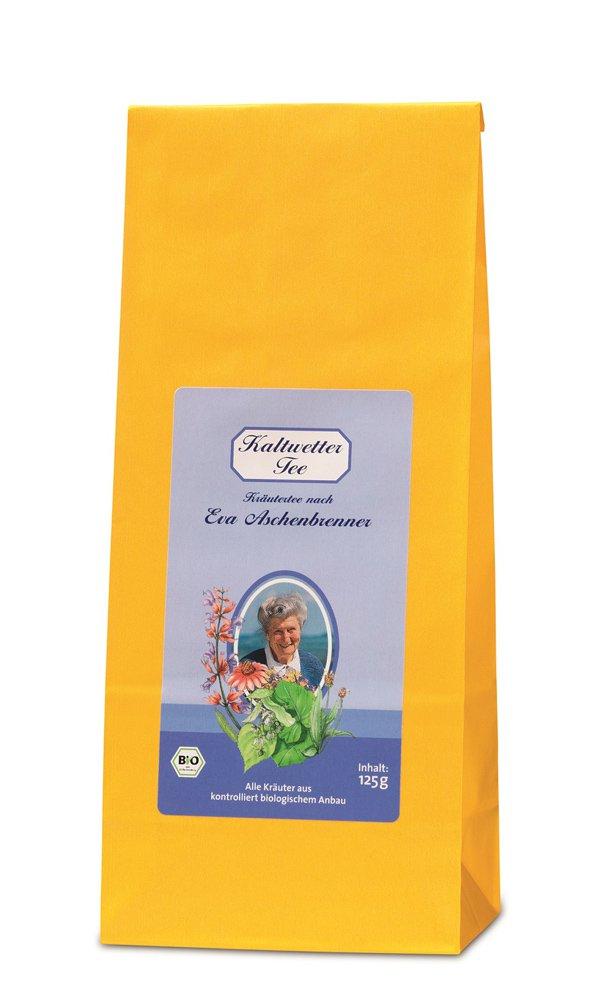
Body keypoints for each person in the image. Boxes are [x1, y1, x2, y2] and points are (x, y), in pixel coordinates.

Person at [242, 592, 324, 688]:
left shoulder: (315, 667)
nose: (285, 638)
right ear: (267, 634)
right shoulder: (246, 668)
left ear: (300, 630)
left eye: (291, 629)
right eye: (278, 631)